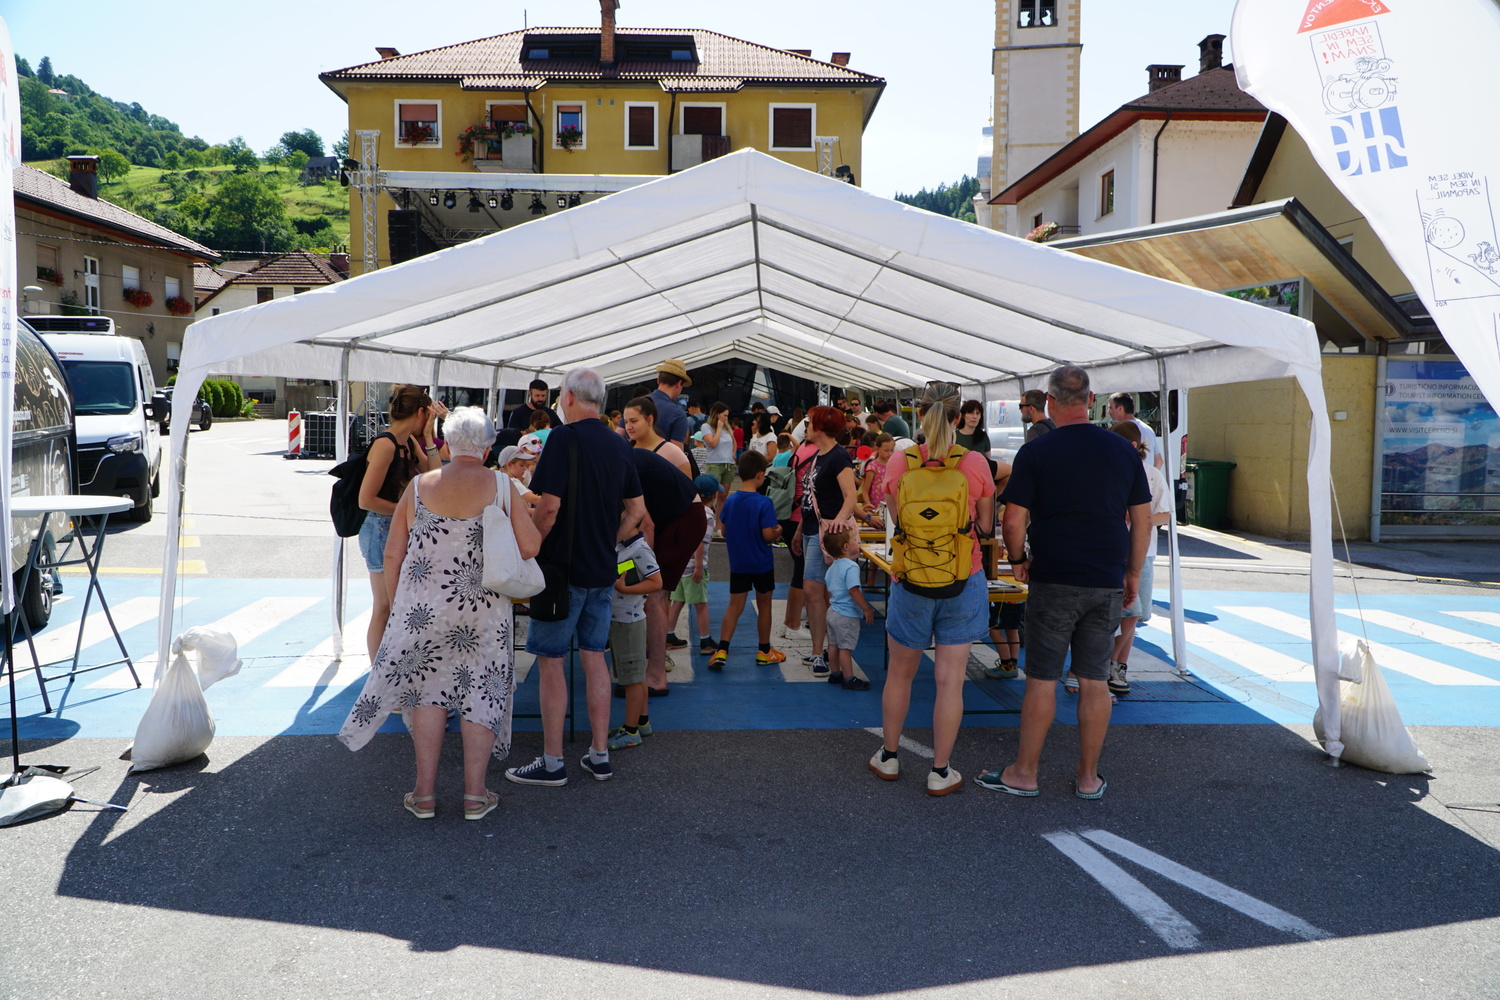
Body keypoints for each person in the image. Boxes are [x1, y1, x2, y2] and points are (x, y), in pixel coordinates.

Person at [339, 407, 538, 822]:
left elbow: (392, 553)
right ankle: (475, 796)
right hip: (484, 611)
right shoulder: (503, 485)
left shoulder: (418, 487)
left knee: (427, 694)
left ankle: (424, 795)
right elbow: (530, 546)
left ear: (447, 444)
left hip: (423, 610)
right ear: (487, 448)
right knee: (480, 693)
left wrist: (400, 604)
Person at [976, 366, 1150, 801]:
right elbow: (1142, 520)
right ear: (1090, 400)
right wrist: (1132, 572)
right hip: (1106, 576)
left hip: (1053, 575)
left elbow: (1012, 521)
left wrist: (1018, 560)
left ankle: (1025, 773)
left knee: (1041, 678)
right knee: (1094, 678)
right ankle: (1088, 777)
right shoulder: (1122, 449)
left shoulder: (1036, 450)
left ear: (1049, 402)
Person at [506, 369, 645, 788]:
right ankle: (599, 754)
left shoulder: (563, 438)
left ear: (567, 397)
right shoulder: (619, 442)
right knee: (594, 657)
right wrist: (607, 540)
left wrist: (530, 549)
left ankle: (553, 761)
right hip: (601, 569)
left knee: (551, 662)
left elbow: (547, 509)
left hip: (560, 571)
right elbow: (637, 512)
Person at [869, 383, 995, 796]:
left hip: (911, 579)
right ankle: (940, 771)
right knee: (950, 680)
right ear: (959, 417)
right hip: (963, 578)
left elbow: (896, 519)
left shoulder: (900, 462)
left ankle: (889, 757)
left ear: (919, 415)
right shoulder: (974, 463)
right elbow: (986, 526)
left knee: (900, 674)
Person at [358, 385, 445, 662]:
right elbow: (366, 499)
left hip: (395, 527)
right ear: (421, 412)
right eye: (429, 415)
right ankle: (378, 671)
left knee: (399, 604)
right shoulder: (386, 444)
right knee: (384, 606)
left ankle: (390, 667)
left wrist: (429, 437)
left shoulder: (408, 442)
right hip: (380, 527)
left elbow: (434, 473)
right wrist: (405, 511)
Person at [623, 423, 707, 696]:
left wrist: (636, 569)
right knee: (650, 592)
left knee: (655, 594)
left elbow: (644, 526)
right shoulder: (625, 459)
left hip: (683, 519)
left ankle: (656, 675)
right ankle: (648, 663)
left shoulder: (622, 467)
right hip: (676, 517)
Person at [793, 405, 859, 679]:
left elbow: (851, 496)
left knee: (818, 592)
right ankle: (821, 650)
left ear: (820, 427)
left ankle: (823, 652)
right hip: (814, 530)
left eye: (810, 422)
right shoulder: (820, 455)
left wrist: (837, 523)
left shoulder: (837, 456)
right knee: (816, 592)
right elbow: (812, 499)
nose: (806, 426)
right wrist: (800, 529)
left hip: (826, 534)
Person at [1107, 421, 1173, 696]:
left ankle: (1117, 665)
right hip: (1111, 550)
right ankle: (1106, 665)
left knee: (1133, 614)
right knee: (1119, 612)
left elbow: (1165, 513)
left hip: (1142, 552)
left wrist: (1140, 519)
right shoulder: (1107, 472)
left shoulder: (1152, 475)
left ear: (1132, 446)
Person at [710, 451, 786, 669]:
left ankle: (722, 649)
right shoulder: (764, 502)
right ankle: (764, 651)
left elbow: (724, 532)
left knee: (734, 606)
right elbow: (767, 534)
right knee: (764, 606)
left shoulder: (731, 500)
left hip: (739, 563)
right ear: (760, 475)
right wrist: (778, 531)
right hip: (761, 563)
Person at [605, 529, 662, 751]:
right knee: (636, 676)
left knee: (632, 679)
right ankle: (642, 721)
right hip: (621, 620)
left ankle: (630, 731)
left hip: (629, 621)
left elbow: (656, 582)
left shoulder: (639, 549)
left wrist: (625, 588)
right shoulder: (622, 546)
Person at [666, 475, 720, 656]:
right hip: (693, 568)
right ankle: (705, 641)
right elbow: (700, 541)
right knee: (701, 605)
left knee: (677, 601)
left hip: (680, 566)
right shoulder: (708, 515)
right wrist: (698, 566)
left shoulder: (686, 510)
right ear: (714, 495)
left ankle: (668, 635)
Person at [821, 525, 874, 690]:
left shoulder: (833, 566)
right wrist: (866, 608)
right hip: (846, 614)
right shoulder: (851, 567)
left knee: (833, 645)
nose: (858, 542)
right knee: (845, 649)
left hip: (832, 612)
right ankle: (849, 678)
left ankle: (835, 673)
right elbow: (853, 590)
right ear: (846, 546)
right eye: (855, 540)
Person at [780, 437, 820, 641]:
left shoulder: (801, 448)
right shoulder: (817, 452)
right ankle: (793, 625)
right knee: (802, 571)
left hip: (789, 514)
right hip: (799, 517)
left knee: (800, 569)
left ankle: (790, 622)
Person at [624, 396, 691, 477]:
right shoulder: (624, 450)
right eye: (626, 422)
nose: (628, 427)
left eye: (633, 421)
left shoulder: (673, 453)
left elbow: (686, 484)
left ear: (649, 420)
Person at [1108, 392, 1164, 470]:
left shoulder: (1120, 431)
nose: (1108, 411)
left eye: (1111, 407)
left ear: (1120, 408)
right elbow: (1159, 461)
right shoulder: (1148, 429)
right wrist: (1150, 476)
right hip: (1145, 476)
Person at [650, 359, 692, 450]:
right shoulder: (678, 414)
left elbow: (619, 436)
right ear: (679, 383)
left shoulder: (634, 405)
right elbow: (676, 454)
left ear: (658, 380)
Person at [856, 433, 895, 524]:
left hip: (890, 507)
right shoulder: (873, 466)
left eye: (892, 450)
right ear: (877, 448)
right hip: (875, 509)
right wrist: (868, 503)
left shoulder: (893, 465)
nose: (889, 453)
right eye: (886, 450)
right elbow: (865, 490)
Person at [702, 402, 736, 493]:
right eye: (724, 415)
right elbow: (713, 443)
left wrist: (733, 453)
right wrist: (719, 428)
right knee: (713, 492)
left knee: (724, 493)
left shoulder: (727, 427)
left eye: (727, 416)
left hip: (728, 464)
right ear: (717, 414)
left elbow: (733, 441)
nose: (726, 418)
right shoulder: (706, 427)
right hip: (714, 463)